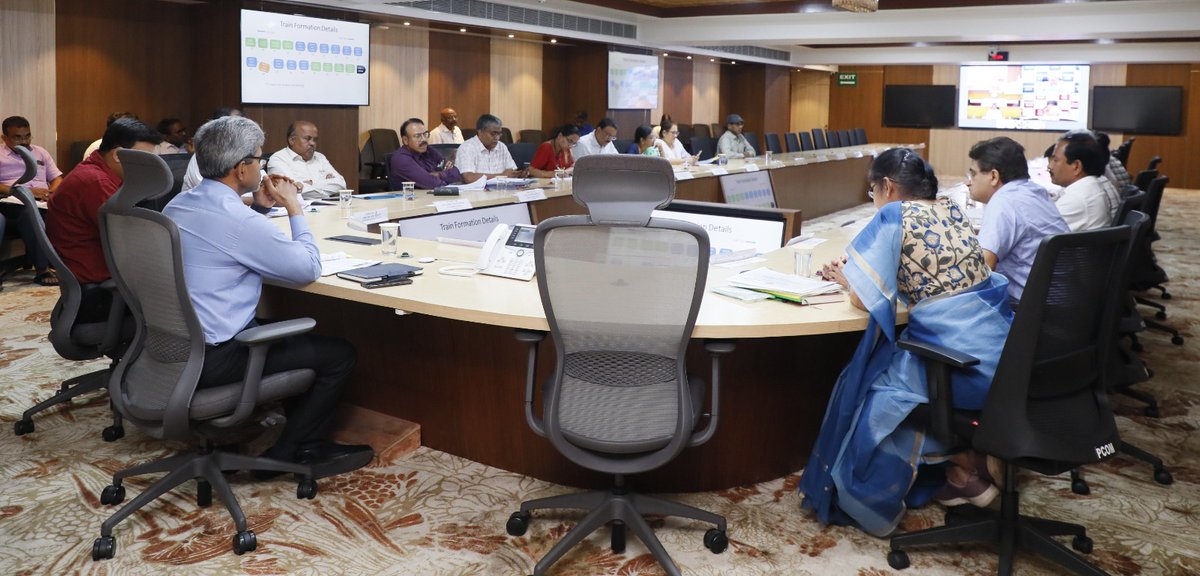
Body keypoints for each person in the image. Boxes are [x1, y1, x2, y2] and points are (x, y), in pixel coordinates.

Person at [799, 148, 1013, 537]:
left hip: (963, 363)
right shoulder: (951, 209)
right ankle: (963, 468)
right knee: (899, 371)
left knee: (873, 389)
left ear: (888, 187)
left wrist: (849, 282)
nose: (874, 199)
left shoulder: (893, 215)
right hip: (1005, 355)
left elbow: (866, 299)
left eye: (872, 191)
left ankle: (879, 494)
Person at [164, 115, 373, 479]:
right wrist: (294, 207)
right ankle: (298, 450)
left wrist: (259, 206)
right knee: (339, 354)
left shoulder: (177, 205)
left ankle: (295, 436)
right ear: (240, 168)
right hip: (216, 355)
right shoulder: (238, 221)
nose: (262, 166)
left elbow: (222, 246)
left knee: (293, 338)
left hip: (171, 345)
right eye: (259, 159)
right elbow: (306, 267)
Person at [46, 118, 161, 321]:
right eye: (143, 159)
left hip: (95, 280)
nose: (147, 168)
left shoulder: (95, 173)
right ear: (118, 155)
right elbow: (129, 240)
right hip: (99, 291)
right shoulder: (95, 182)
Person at [966, 137, 1068, 304]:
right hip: (1061, 305)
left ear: (993, 176)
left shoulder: (1003, 201)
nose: (968, 182)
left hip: (1025, 310)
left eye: (973, 174)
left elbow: (981, 270)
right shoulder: (1036, 192)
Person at [1, 115, 62, 286]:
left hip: (43, 203)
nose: (24, 141)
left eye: (27, 136)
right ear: (4, 138)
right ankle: (42, 269)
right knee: (30, 213)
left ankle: (69, 264)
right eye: (17, 137)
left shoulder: (40, 152)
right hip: (12, 204)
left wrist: (51, 191)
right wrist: (27, 192)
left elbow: (57, 178)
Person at [1047, 130, 1117, 231]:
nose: (1050, 166)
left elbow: (1036, 232)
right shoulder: (1088, 186)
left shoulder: (1077, 198)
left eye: (1055, 160)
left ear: (1076, 167)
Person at [267, 120, 347, 199]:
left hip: (328, 207)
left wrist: (310, 183)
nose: (312, 143)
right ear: (292, 140)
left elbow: (341, 184)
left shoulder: (320, 157)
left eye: (315, 140)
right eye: (307, 139)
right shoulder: (278, 159)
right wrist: (326, 184)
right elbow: (290, 191)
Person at [388, 117, 462, 190]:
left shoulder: (429, 150)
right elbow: (432, 183)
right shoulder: (401, 159)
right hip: (410, 200)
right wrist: (443, 175)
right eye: (418, 136)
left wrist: (439, 174)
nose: (423, 139)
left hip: (434, 197)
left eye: (425, 134)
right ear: (405, 140)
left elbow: (456, 174)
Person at [182, 107, 244, 192]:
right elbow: (210, 194)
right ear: (219, 129)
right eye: (237, 125)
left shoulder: (244, 154)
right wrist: (254, 200)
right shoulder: (203, 156)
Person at [455, 114, 526, 184]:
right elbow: (469, 178)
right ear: (480, 131)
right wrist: (502, 176)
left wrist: (518, 174)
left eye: (499, 134)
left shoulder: (501, 147)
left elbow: (511, 170)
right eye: (493, 134)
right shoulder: (467, 147)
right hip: (475, 193)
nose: (497, 138)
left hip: (500, 191)